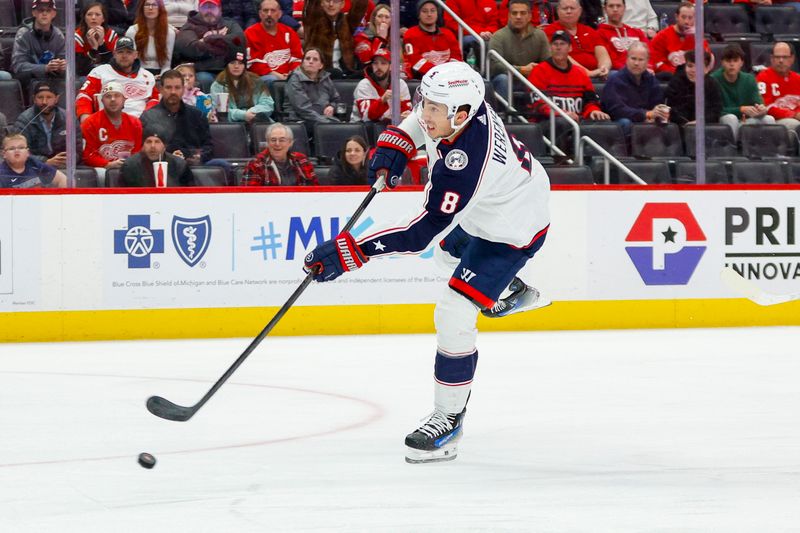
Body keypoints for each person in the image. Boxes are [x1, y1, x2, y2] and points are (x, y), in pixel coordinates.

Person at [302, 61, 551, 464]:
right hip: (491, 207)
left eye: (435, 109)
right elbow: (419, 121)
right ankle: (510, 289)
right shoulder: (461, 108)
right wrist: (397, 143)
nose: (425, 113)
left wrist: (351, 250)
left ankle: (448, 419)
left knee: (453, 311)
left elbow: (419, 230)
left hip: (510, 231)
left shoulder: (465, 165)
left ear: (463, 114)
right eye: (426, 102)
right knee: (445, 257)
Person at [140, 69, 231, 176]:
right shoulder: (149, 117)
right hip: (163, 164)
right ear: (161, 89)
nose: (173, 92)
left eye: (177, 88)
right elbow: (145, 149)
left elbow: (208, 146)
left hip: (194, 164)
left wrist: (199, 157)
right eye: (169, 87)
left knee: (221, 164)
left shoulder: (197, 115)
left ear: (183, 89)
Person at [527, 31, 611, 123]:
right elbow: (538, 104)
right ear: (550, 48)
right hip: (549, 121)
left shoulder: (580, 73)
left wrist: (593, 110)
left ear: (570, 48)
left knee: (603, 121)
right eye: (555, 44)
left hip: (577, 120)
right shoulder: (539, 71)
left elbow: (591, 100)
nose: (558, 47)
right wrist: (562, 113)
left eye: (562, 44)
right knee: (563, 122)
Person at [77, 37, 160, 123]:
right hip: (107, 125)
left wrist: (146, 117)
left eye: (129, 52)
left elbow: (155, 99)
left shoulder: (147, 76)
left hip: (141, 125)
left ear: (136, 55)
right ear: (114, 54)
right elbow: (84, 96)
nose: (124, 56)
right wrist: (85, 117)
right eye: (120, 52)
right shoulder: (100, 72)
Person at [80, 81, 143, 181]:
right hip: (101, 169)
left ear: (124, 99)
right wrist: (108, 164)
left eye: (117, 95)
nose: (113, 99)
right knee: (101, 175)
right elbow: (87, 155)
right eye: (108, 96)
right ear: (102, 100)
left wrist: (129, 163)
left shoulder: (135, 123)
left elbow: (138, 151)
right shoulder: (90, 123)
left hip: (129, 168)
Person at [489, 0, 550, 100]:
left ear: (530, 16)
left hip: (531, 80)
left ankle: (542, 113)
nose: (518, 16)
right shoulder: (498, 36)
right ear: (509, 15)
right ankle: (504, 115)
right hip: (507, 81)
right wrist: (521, 70)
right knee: (503, 79)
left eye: (523, 13)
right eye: (514, 13)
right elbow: (495, 66)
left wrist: (536, 70)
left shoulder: (540, 35)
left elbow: (548, 63)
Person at [601, 41, 665, 137]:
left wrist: (656, 115)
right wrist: (646, 114)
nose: (636, 63)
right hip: (618, 121)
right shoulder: (615, 80)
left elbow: (657, 104)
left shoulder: (651, 80)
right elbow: (617, 110)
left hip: (644, 119)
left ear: (647, 62)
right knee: (625, 122)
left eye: (641, 60)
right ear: (627, 59)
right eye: (633, 58)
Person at [174, 0, 246, 84]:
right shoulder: (190, 26)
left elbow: (239, 41)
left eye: (212, 7)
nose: (209, 11)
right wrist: (224, 44)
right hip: (201, 70)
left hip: (228, 69)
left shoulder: (230, 24)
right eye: (205, 7)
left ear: (220, 9)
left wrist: (210, 38)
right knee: (204, 79)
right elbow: (190, 48)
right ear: (199, 9)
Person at [712, 44, 774, 139]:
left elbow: (758, 102)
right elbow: (716, 111)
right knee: (731, 118)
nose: (732, 64)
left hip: (745, 120)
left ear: (741, 63)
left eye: (735, 61)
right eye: (728, 61)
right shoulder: (714, 79)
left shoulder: (749, 79)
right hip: (724, 120)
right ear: (722, 63)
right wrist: (741, 109)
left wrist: (761, 109)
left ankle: (770, 150)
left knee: (769, 119)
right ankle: (734, 150)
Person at [543, 0, 611, 79]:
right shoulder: (550, 31)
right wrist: (588, 73)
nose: (569, 11)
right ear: (557, 11)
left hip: (597, 73)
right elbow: (562, 57)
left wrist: (603, 68)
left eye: (572, 8)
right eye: (565, 8)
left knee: (615, 76)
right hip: (568, 75)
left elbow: (603, 54)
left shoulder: (589, 30)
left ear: (580, 11)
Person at [210, 42, 275, 123]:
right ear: (227, 65)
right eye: (232, 63)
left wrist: (251, 113)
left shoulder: (255, 80)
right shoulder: (219, 84)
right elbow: (220, 112)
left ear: (244, 65)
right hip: (231, 125)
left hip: (256, 120)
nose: (236, 66)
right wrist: (243, 115)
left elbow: (268, 104)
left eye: (240, 63)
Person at [303, 0, 368, 77]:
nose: (331, 4)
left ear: (342, 4)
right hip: (320, 74)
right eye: (327, 1)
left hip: (346, 74)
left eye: (336, 1)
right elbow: (311, 5)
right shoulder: (313, 21)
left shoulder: (348, 22)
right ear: (321, 2)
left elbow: (360, 7)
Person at [244, 0, 303, 86]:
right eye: (265, 10)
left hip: (289, 76)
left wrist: (291, 74)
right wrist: (279, 76)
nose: (269, 14)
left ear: (279, 14)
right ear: (260, 14)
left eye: (273, 10)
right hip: (263, 78)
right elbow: (254, 64)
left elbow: (297, 58)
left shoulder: (289, 32)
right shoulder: (250, 33)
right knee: (273, 80)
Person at [11, 0, 67, 91]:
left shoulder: (58, 35)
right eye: (41, 10)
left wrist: (61, 66)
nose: (44, 13)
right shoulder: (23, 33)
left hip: (52, 78)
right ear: (34, 13)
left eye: (48, 11)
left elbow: (64, 60)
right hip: (28, 80)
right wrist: (45, 68)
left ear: (53, 14)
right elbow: (18, 66)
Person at [284, 48, 344, 129]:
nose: (310, 61)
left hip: (323, 120)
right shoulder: (295, 79)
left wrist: (332, 106)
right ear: (302, 62)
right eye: (307, 58)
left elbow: (336, 99)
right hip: (300, 121)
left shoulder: (325, 78)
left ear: (321, 65)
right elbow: (303, 110)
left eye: (315, 59)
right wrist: (326, 123)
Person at [13, 81, 69, 169]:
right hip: (35, 166)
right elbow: (19, 151)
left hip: (63, 165)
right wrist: (45, 162)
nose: (44, 102)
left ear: (56, 99)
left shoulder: (68, 118)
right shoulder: (24, 120)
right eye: (40, 97)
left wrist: (64, 160)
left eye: (49, 97)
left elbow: (77, 149)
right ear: (34, 99)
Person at [242, 122, 318, 185]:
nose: (277, 144)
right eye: (273, 140)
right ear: (267, 142)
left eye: (282, 140)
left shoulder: (302, 160)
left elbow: (316, 191)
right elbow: (249, 196)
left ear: (290, 143)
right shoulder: (255, 164)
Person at [402, 0, 462, 80]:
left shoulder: (448, 34)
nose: (429, 14)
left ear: (437, 14)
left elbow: (456, 57)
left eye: (433, 11)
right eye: (424, 11)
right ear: (419, 15)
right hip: (423, 79)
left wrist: (449, 73)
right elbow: (415, 62)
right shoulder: (411, 34)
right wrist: (438, 73)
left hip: (449, 78)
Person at [118, 127, 195, 187]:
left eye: (157, 142)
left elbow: (191, 194)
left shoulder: (179, 165)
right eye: (148, 142)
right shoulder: (130, 165)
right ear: (143, 145)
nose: (153, 146)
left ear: (164, 146)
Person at [351, 47, 412, 123]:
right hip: (362, 128)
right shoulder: (364, 85)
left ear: (390, 66)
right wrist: (382, 100)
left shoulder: (400, 84)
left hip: (391, 127)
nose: (379, 67)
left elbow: (407, 111)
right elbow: (367, 117)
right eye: (375, 63)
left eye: (383, 63)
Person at [650, 2, 710, 77]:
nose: (686, 22)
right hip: (670, 78)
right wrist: (680, 74)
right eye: (683, 17)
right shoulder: (662, 36)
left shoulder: (697, 36)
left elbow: (707, 60)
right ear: (676, 17)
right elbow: (657, 63)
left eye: (690, 18)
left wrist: (698, 39)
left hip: (693, 77)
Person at [665, 50, 722, 126]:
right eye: (690, 66)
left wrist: (701, 122)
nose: (693, 70)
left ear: (706, 69)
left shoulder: (712, 84)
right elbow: (672, 109)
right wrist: (686, 123)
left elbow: (715, 110)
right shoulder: (676, 83)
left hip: (706, 126)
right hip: (680, 126)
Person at [125, 0, 177, 76]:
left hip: (161, 73)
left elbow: (166, 65)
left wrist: (162, 76)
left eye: (154, 5)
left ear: (160, 9)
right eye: (147, 5)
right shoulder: (132, 31)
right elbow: (132, 62)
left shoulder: (169, 33)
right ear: (142, 9)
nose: (150, 8)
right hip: (138, 72)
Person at [756, 42, 800, 131]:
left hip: (795, 117)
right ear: (772, 59)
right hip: (775, 120)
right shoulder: (763, 77)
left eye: (785, 57)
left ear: (792, 59)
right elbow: (766, 106)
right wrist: (794, 114)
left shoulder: (797, 78)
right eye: (777, 57)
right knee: (795, 124)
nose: (781, 60)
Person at [596, 0, 650, 72]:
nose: (615, 9)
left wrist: (649, 68)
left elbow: (650, 53)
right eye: (611, 6)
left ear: (624, 8)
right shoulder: (599, 34)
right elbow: (612, 60)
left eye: (618, 6)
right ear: (605, 9)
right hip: (619, 73)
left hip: (642, 71)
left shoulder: (637, 33)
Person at [442, 0, 498, 67]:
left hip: (486, 34)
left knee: (498, 40)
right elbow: (452, 23)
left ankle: (494, 72)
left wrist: (489, 31)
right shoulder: (453, 1)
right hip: (463, 36)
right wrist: (478, 33)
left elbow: (495, 22)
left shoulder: (490, 1)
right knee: (475, 41)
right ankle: (482, 73)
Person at [0, 133, 67, 188]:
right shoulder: (1, 173)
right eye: (12, 148)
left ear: (27, 152)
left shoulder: (34, 163)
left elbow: (62, 179)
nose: (17, 151)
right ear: (4, 154)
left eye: (21, 148)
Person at [75, 2, 119, 76]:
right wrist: (94, 49)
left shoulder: (111, 35)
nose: (93, 18)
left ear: (103, 19)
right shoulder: (77, 37)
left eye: (97, 15)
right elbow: (81, 70)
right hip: (86, 76)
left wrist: (101, 44)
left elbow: (114, 66)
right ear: (84, 18)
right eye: (89, 14)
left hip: (108, 75)